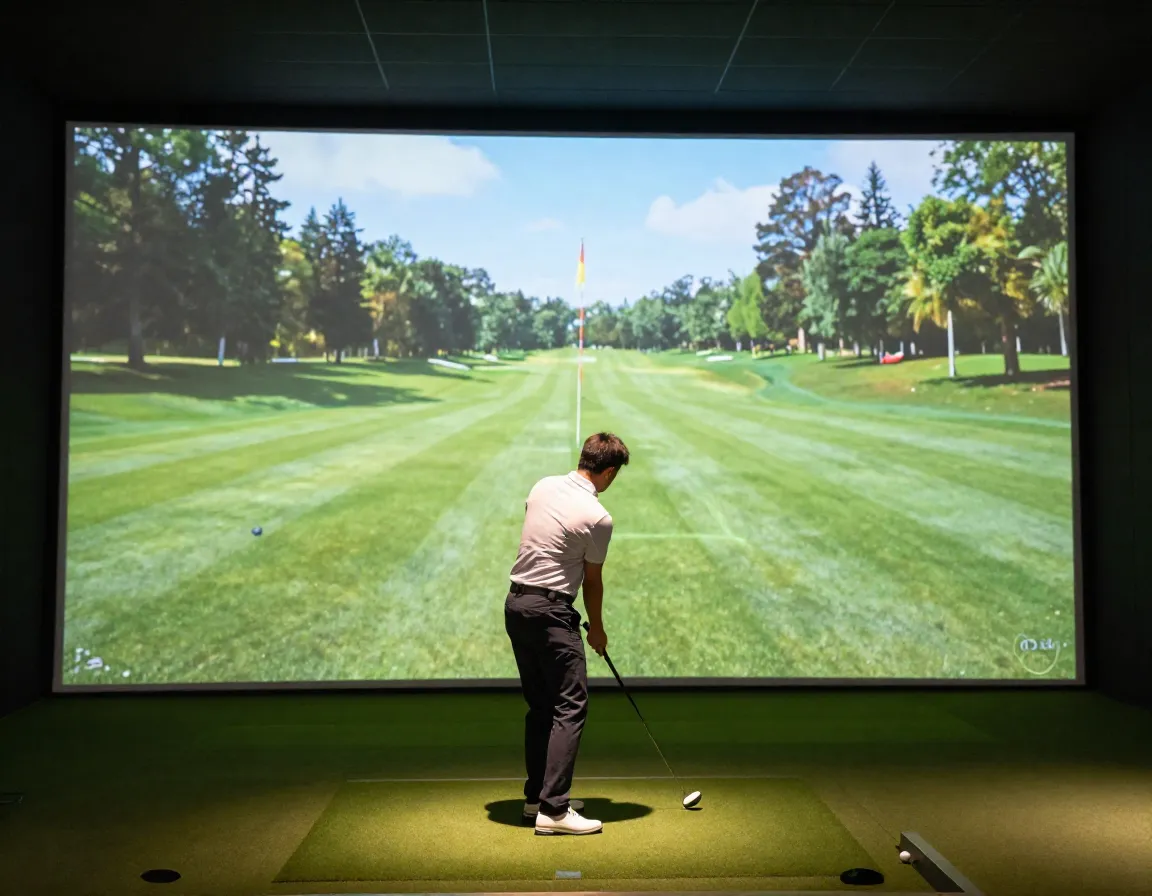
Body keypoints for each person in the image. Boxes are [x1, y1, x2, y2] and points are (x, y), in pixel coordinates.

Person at [505, 432, 630, 835]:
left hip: (516, 606)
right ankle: (554, 811)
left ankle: (535, 798)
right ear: (608, 472)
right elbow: (592, 582)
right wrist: (598, 630)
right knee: (569, 706)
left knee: (541, 706)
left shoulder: (542, 485)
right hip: (551, 614)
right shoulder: (598, 518)